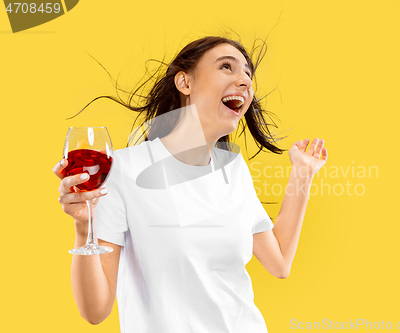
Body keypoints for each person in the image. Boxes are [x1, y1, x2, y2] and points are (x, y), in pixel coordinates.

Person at [53, 36, 328, 332]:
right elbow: (95, 311)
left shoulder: (234, 169)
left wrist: (303, 173)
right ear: (185, 82)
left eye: (248, 75)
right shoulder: (125, 168)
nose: (245, 82)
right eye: (227, 67)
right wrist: (85, 228)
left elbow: (280, 262)